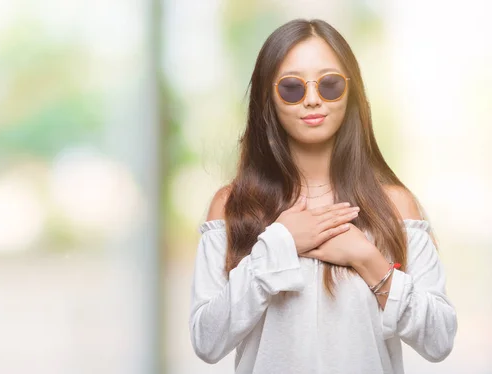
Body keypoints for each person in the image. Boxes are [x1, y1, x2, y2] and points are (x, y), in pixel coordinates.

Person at [189, 19, 457, 374]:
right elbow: (207, 342)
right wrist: (279, 245)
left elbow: (439, 341)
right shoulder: (232, 206)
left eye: (330, 85)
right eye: (292, 88)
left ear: (352, 92)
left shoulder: (394, 206)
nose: (313, 100)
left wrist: (368, 260)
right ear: (267, 97)